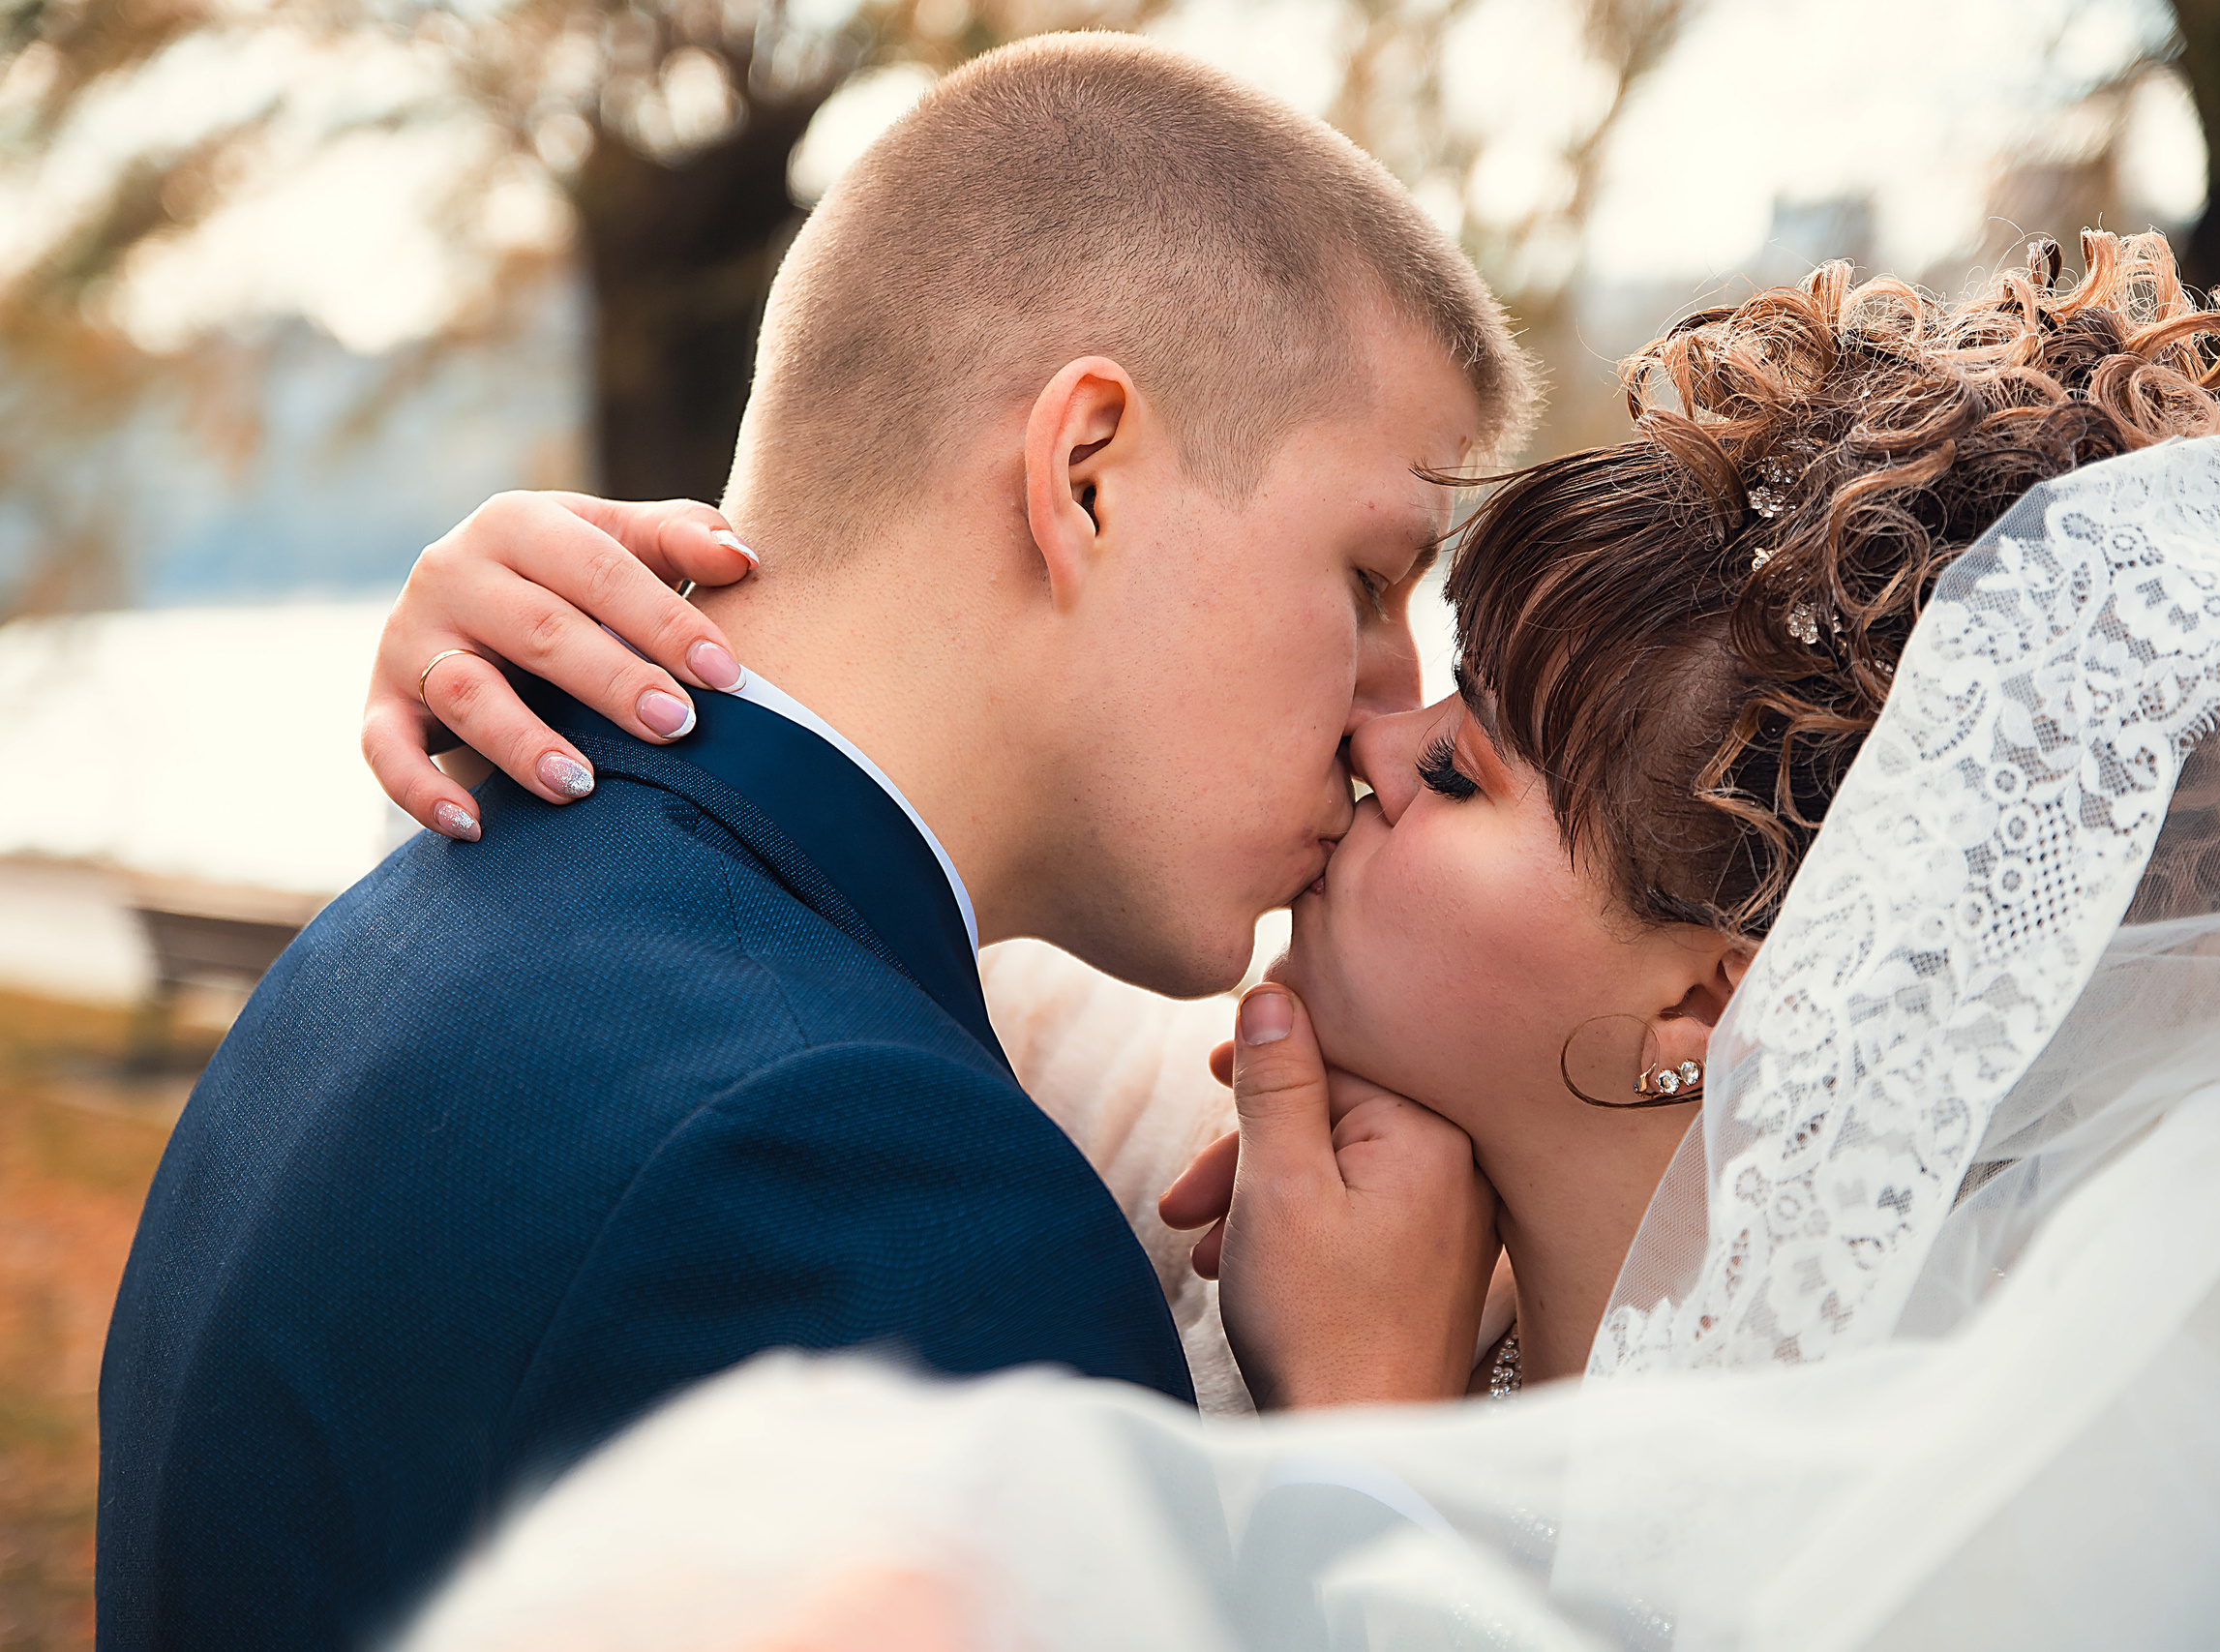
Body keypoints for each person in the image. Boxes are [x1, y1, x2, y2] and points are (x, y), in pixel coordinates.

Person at [381, 235, 2220, 1648]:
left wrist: (1359, 1444)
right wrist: (572, 624)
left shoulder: (1980, 1566)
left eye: (1465, 767)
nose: (1367, 734)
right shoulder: (1186, 1125)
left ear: (1712, 994)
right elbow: (852, 872)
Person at [94, 35, 1532, 1651]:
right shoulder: (875, 1187)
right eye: (1369, 579)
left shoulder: (393, 937)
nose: (1390, 706)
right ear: (1087, 475)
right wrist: (1366, 1462)